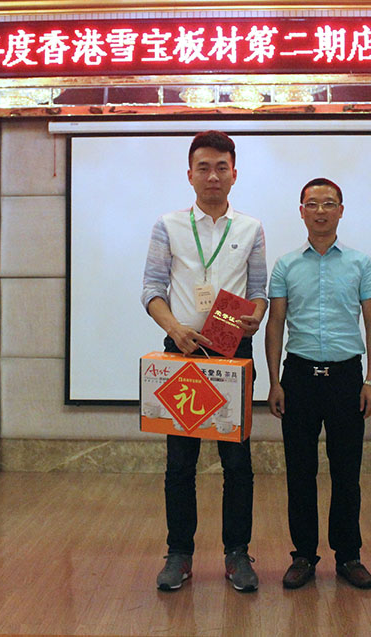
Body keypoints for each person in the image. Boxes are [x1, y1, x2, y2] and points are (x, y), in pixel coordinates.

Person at [141, 130, 267, 592]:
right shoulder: (168, 225)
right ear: (190, 175)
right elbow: (151, 289)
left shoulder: (251, 228)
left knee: (237, 463)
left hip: (233, 353)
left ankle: (237, 554)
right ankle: (179, 554)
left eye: (221, 167)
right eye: (203, 167)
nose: (212, 175)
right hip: (183, 352)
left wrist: (255, 317)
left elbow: (259, 292)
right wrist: (176, 329)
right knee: (180, 463)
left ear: (234, 174)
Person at [265, 177, 371, 590]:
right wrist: (275, 381)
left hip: (346, 378)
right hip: (298, 377)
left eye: (329, 203)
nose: (320, 211)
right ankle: (303, 556)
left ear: (341, 211)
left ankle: (349, 556)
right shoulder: (285, 265)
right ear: (301, 211)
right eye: (312, 204)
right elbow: (275, 324)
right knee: (300, 472)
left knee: (347, 472)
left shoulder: (360, 263)